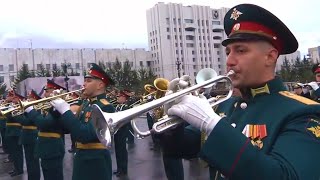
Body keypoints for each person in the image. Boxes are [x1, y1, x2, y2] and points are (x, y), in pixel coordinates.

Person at [161, 3, 320, 180]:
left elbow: (284, 176)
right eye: (228, 52)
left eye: (241, 50)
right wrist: (172, 122)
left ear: (270, 56)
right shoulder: (225, 105)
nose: (229, 60)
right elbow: (181, 148)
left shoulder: (303, 112)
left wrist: (212, 124)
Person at [50, 63, 116, 180]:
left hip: (96, 163)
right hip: (82, 158)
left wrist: (66, 111)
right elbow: (67, 129)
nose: (84, 84)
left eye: (88, 81)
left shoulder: (105, 107)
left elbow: (85, 135)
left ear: (100, 85)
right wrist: (56, 111)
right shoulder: (86, 104)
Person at [25, 80, 66, 180]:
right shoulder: (48, 106)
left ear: (55, 92)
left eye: (47, 91)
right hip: (45, 147)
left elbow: (43, 123)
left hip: (53, 147)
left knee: (54, 176)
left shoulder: (57, 107)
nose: (44, 94)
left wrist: (31, 111)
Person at [20, 89, 41, 180]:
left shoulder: (36, 108)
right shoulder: (29, 109)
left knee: (33, 161)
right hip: (26, 136)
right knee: (29, 161)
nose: (28, 100)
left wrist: (19, 116)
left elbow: (26, 121)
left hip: (32, 135)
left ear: (34, 98)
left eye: (30, 98)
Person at [113, 90, 130, 177]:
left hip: (122, 131)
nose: (117, 98)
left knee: (122, 151)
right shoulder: (117, 107)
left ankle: (124, 169)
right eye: (117, 96)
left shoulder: (125, 108)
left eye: (119, 97)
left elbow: (126, 120)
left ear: (124, 98)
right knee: (117, 150)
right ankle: (119, 168)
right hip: (117, 131)